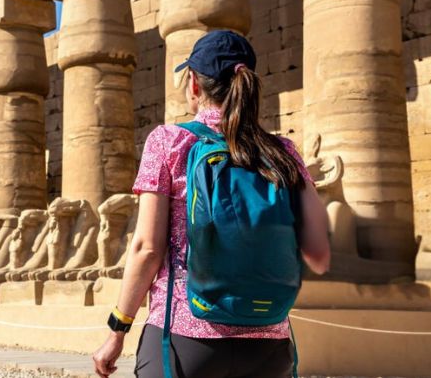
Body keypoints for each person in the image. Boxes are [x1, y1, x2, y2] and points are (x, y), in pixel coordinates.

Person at [92, 30, 331, 378]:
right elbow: (318, 247)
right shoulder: (283, 151)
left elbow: (146, 248)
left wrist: (117, 330)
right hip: (269, 341)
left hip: (185, 337)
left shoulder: (169, 142)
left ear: (193, 84)